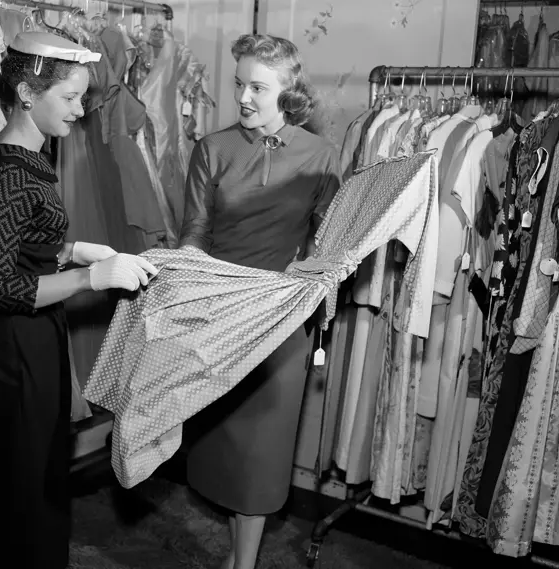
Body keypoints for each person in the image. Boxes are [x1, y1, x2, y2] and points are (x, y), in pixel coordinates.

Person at [0, 32, 158, 569]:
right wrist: (94, 279)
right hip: (10, 346)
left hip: (26, 338)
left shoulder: (21, 159)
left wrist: (72, 252)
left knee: (31, 473)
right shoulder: (7, 171)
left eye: (83, 97)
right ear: (25, 92)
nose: (80, 108)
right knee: (19, 488)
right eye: (69, 97)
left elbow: (18, 247)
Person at [180, 34, 341, 569]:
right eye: (239, 84)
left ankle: (243, 565)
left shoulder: (319, 155)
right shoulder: (212, 149)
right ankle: (238, 554)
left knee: (260, 455)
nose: (243, 97)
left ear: (288, 92)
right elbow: (194, 236)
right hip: (218, 319)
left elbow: (327, 240)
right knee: (227, 454)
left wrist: (317, 275)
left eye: (258, 87)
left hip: (280, 327)